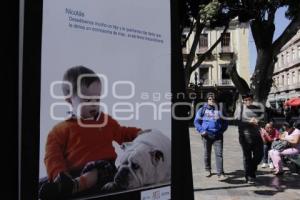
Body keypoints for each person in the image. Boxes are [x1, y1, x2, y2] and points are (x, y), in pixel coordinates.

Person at [39, 66, 144, 199]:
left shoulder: (105, 121)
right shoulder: (59, 131)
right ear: (70, 100)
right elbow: (53, 157)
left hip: (105, 170)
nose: (94, 104)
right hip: (74, 174)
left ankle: (73, 187)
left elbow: (122, 133)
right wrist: (59, 174)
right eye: (88, 100)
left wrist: (138, 133)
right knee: (43, 182)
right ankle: (65, 186)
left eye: (97, 99)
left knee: (100, 170)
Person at [194, 95, 228, 180]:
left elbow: (225, 122)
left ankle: (220, 173)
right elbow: (196, 121)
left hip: (218, 136)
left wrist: (221, 131)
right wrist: (201, 130)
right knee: (207, 153)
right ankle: (207, 169)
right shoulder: (202, 109)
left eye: (213, 99)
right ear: (207, 100)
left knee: (219, 154)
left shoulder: (219, 110)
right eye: (210, 99)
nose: (212, 100)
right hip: (206, 135)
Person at [234, 93, 263, 184]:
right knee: (247, 157)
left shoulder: (257, 108)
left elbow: (263, 120)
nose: (247, 101)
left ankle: (251, 170)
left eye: (249, 99)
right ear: (243, 100)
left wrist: (259, 121)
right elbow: (236, 122)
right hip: (245, 136)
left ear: (252, 100)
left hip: (256, 136)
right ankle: (249, 176)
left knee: (259, 155)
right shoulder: (240, 108)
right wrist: (249, 122)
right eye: (246, 100)